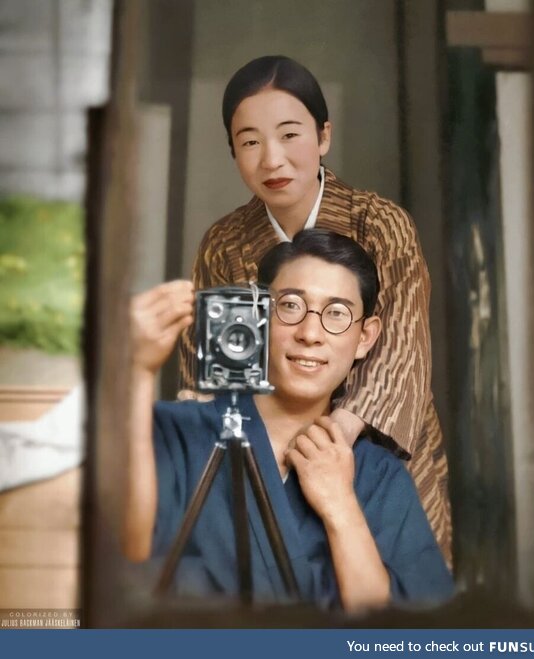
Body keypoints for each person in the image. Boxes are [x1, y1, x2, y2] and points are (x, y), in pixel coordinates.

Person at [178, 55, 452, 565]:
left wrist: (332, 444)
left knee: (399, 614)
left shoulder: (381, 224)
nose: (272, 160)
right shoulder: (224, 243)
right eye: (250, 142)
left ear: (323, 136)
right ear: (233, 151)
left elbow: (400, 354)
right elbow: (221, 373)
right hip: (266, 458)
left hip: (374, 454)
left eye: (289, 135)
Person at [127, 230, 453, 610]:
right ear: (258, 315)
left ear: (365, 337)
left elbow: (414, 632)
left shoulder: (377, 475)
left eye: (336, 313)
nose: (310, 334)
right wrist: (136, 371)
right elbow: (127, 551)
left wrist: (341, 507)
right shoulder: (181, 431)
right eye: (291, 306)